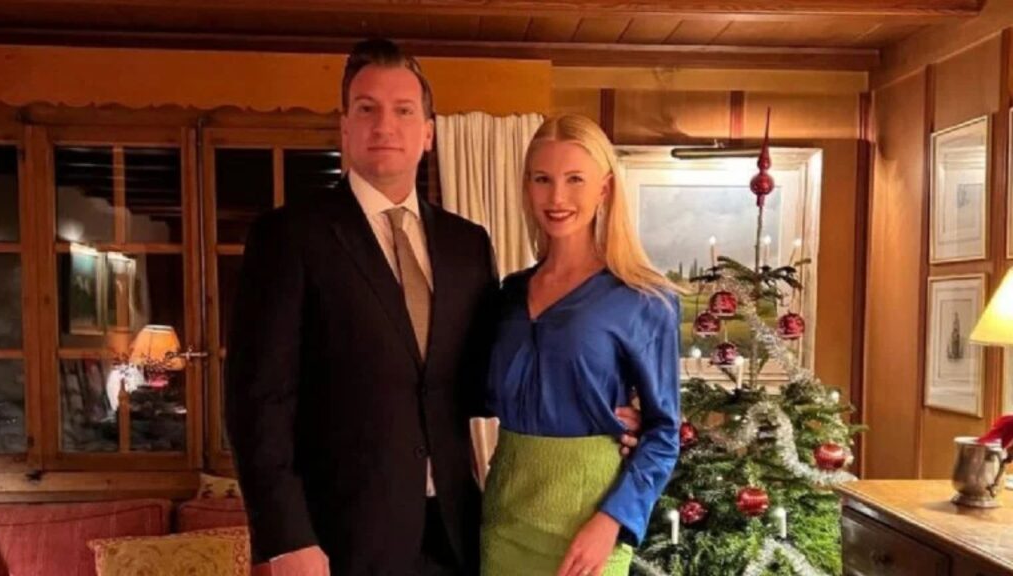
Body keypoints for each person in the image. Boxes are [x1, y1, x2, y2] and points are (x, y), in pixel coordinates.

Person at [224, 39, 497, 576]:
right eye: (367, 109)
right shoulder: (289, 236)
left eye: (403, 110)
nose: (384, 125)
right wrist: (287, 539)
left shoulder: (469, 244)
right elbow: (257, 403)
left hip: (455, 538)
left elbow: (489, 376)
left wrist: (603, 408)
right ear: (345, 127)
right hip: (336, 544)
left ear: (428, 133)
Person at [481, 114, 682, 576]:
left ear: (604, 188)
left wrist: (612, 520)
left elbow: (664, 432)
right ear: (527, 187)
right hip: (505, 515)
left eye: (575, 179)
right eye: (542, 179)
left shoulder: (643, 298)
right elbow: (481, 391)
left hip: (590, 524)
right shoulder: (508, 294)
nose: (557, 198)